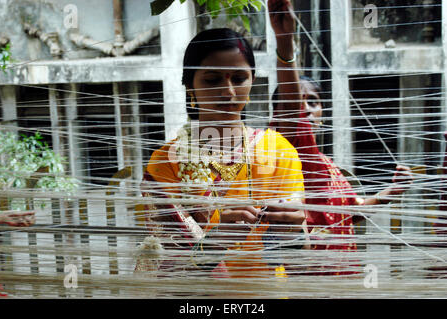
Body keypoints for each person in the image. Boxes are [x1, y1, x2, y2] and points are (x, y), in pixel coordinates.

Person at [140, 25, 306, 278]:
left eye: (239, 79)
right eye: (212, 79)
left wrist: (292, 232)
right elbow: (166, 263)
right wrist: (214, 242)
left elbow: (298, 256)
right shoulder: (166, 162)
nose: (228, 92)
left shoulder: (278, 150)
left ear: (252, 81)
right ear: (189, 85)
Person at [268, 0, 413, 255]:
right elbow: (293, 113)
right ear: (274, 119)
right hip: (309, 283)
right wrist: (285, 42)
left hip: (341, 281)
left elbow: (349, 213)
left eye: (313, 102)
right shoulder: (291, 157)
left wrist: (392, 191)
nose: (307, 110)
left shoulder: (327, 165)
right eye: (298, 103)